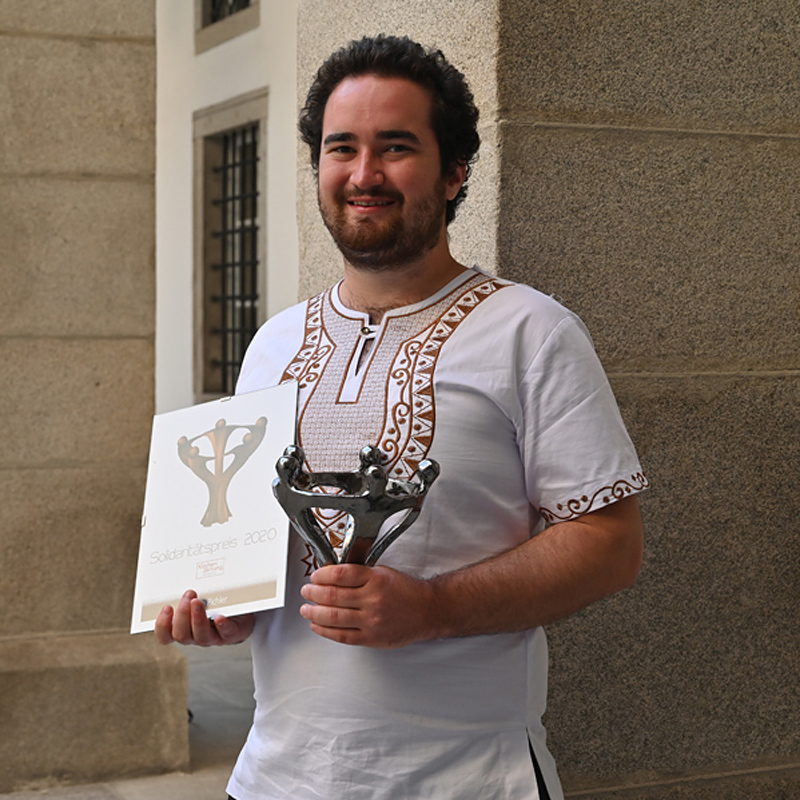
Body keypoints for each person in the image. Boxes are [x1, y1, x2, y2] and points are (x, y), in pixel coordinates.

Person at [156, 34, 648, 800]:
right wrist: (223, 609)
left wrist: (434, 608)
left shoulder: (532, 332)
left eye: (395, 147)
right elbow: (249, 550)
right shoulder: (273, 344)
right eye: (341, 148)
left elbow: (610, 545)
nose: (363, 174)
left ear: (454, 172)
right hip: (276, 778)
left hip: (470, 779)